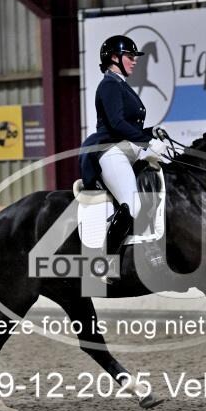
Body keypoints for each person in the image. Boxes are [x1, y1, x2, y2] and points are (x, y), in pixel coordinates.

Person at [79, 35, 169, 255]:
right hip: (111, 151)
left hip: (127, 149)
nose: (134, 60)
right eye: (129, 56)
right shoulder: (109, 85)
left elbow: (128, 126)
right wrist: (148, 142)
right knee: (133, 206)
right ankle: (105, 260)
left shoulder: (120, 84)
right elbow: (117, 123)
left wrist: (150, 132)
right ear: (114, 58)